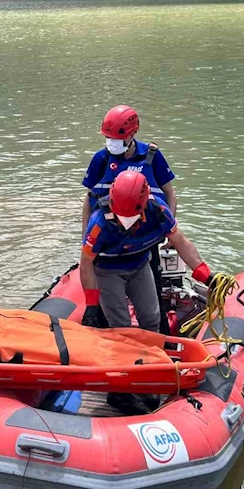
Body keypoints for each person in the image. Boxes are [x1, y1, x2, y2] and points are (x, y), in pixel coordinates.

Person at [82, 105, 177, 332]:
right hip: (107, 239)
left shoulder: (151, 156)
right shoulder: (101, 160)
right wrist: (86, 236)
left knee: (153, 303)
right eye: (108, 137)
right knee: (108, 314)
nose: (111, 142)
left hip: (143, 240)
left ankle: (160, 342)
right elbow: (88, 198)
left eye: (116, 138)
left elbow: (170, 193)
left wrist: (169, 227)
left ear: (133, 133)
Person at [80, 170, 213, 331]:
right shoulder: (99, 224)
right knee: (120, 324)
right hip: (108, 271)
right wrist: (91, 304)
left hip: (140, 265)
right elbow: (86, 262)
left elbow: (180, 242)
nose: (125, 223)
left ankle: (152, 350)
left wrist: (205, 275)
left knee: (152, 318)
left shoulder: (159, 211)